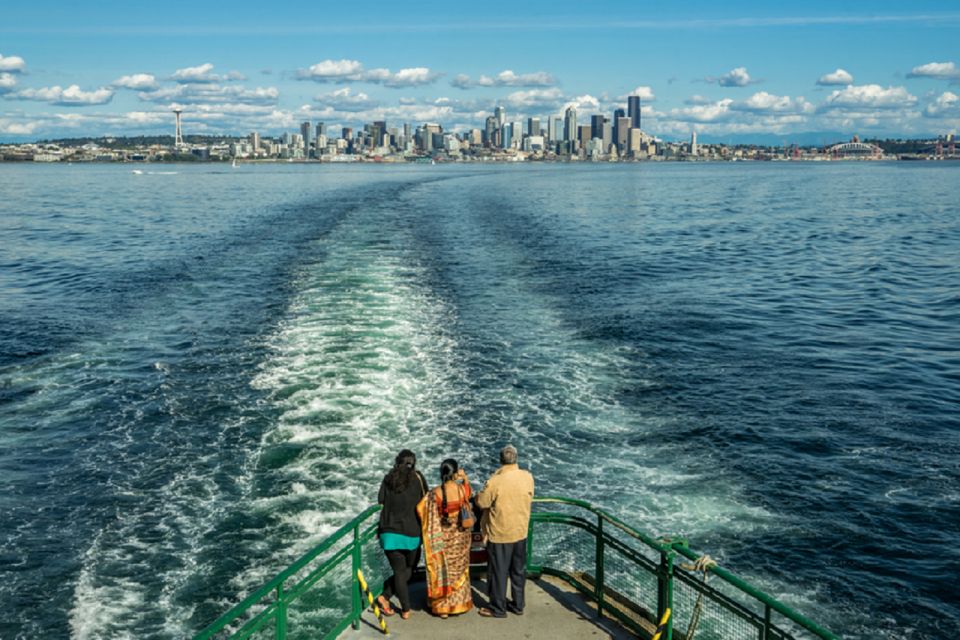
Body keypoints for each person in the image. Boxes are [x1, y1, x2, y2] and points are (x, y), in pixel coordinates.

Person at [475, 444, 534, 618]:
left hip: (500, 534)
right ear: (516, 459)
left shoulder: (496, 481)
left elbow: (482, 503)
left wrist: (479, 495)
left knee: (498, 573)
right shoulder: (527, 477)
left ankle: (497, 608)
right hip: (520, 531)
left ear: (501, 460)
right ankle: (518, 604)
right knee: (518, 571)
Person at [416, 458, 475, 618]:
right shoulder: (462, 490)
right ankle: (460, 604)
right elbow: (469, 494)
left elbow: (420, 508)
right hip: (460, 537)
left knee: (444, 571)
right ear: (455, 473)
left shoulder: (435, 494)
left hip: (443, 538)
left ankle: (443, 608)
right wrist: (464, 478)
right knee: (460, 570)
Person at [377, 449, 428, 620]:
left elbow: (381, 500)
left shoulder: (388, 478)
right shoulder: (418, 478)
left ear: (397, 462)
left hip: (388, 533)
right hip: (412, 534)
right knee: (408, 570)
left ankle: (385, 597)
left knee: (400, 571)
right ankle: (404, 607)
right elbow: (426, 499)